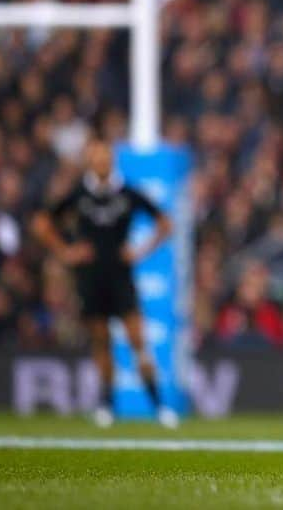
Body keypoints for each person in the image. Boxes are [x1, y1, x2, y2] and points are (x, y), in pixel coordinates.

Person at [32, 139, 176, 428]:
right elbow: (42, 223)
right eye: (95, 158)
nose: (101, 163)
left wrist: (141, 251)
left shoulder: (127, 193)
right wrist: (65, 251)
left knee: (138, 340)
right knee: (101, 342)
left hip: (121, 277)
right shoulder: (78, 194)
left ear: (111, 160)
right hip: (91, 277)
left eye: (105, 157)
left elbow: (165, 223)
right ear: (89, 161)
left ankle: (159, 405)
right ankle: (107, 404)